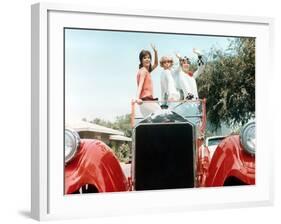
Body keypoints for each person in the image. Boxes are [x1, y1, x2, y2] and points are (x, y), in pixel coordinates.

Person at [136, 44, 161, 117]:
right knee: (163, 115)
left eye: (149, 57)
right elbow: (140, 85)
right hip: (146, 101)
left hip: (146, 103)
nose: (147, 59)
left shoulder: (147, 71)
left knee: (152, 122)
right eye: (144, 58)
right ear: (141, 60)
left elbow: (156, 64)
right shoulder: (143, 71)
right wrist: (137, 98)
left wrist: (155, 52)